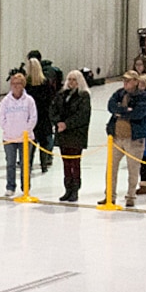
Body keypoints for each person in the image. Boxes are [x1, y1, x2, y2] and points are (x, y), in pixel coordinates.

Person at [105, 71, 146, 207]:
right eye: (124, 80)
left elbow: (138, 113)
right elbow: (110, 106)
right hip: (116, 137)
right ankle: (110, 195)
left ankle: (130, 196)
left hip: (134, 139)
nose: (125, 83)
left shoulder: (143, 97)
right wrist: (126, 110)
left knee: (133, 169)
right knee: (111, 167)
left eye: (129, 81)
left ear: (136, 81)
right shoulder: (119, 93)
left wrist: (121, 111)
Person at [50, 70, 92, 203]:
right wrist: (58, 122)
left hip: (76, 134)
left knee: (75, 162)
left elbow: (82, 116)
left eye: (74, 80)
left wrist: (67, 124)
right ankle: (67, 188)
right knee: (66, 163)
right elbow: (53, 110)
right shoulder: (61, 95)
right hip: (63, 134)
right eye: (70, 79)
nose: (72, 82)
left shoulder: (83, 96)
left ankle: (75, 189)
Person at [0, 71, 38, 197]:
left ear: (23, 85)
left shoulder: (29, 100)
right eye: (13, 83)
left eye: (18, 83)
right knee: (10, 163)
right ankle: (10, 186)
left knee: (25, 164)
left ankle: (26, 187)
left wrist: (26, 130)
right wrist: (7, 129)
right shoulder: (5, 101)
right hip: (9, 137)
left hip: (26, 138)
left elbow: (33, 117)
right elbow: (1, 117)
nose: (15, 86)